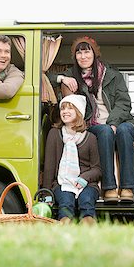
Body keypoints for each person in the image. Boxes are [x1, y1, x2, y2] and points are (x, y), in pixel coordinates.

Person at [48, 36, 134, 202]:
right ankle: (109, 188)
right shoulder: (72, 74)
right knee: (104, 131)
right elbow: (45, 77)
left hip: (119, 120)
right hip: (92, 124)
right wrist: (62, 78)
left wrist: (113, 123)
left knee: (125, 130)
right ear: (75, 56)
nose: (83, 56)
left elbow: (124, 103)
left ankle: (128, 187)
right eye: (79, 52)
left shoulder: (113, 75)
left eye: (86, 51)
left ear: (94, 53)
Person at [42, 94, 102, 225]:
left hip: (86, 184)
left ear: (79, 112)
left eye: (70, 109)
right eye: (63, 109)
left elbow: (97, 169)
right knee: (66, 201)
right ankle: (65, 225)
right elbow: (49, 167)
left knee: (86, 200)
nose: (65, 112)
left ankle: (88, 225)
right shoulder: (54, 134)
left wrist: (85, 178)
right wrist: (46, 192)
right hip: (62, 183)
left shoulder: (90, 138)